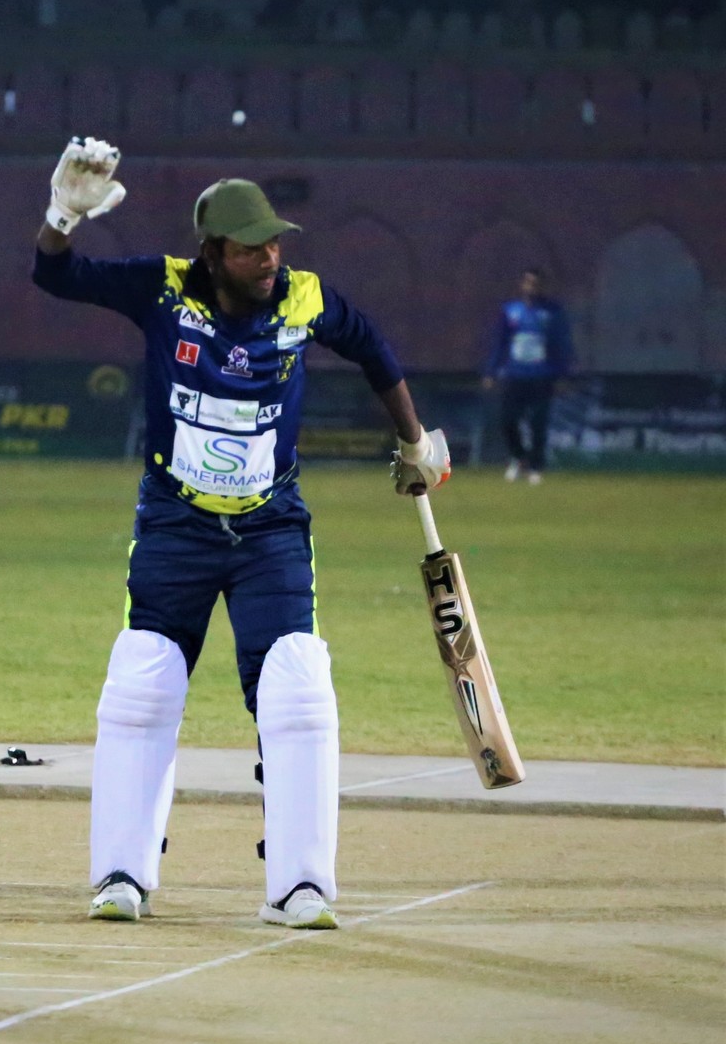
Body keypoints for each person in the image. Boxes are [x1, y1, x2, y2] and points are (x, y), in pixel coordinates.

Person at [31, 139, 450, 929]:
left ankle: (301, 887)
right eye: (252, 248)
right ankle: (122, 875)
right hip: (175, 523)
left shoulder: (303, 298)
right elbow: (55, 275)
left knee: (297, 685)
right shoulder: (162, 288)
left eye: (274, 244)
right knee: (144, 679)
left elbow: (373, 348)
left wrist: (414, 441)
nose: (270, 258)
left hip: (270, 529)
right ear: (214, 253)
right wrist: (62, 218)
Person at [482, 268, 574, 484]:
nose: (532, 288)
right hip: (515, 375)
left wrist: (563, 375)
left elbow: (561, 344)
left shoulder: (552, 312)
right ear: (522, 285)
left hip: (542, 376)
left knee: (538, 422)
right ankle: (518, 457)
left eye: (536, 284)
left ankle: (535, 466)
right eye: (529, 283)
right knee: (508, 420)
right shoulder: (511, 311)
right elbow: (500, 343)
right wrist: (491, 371)